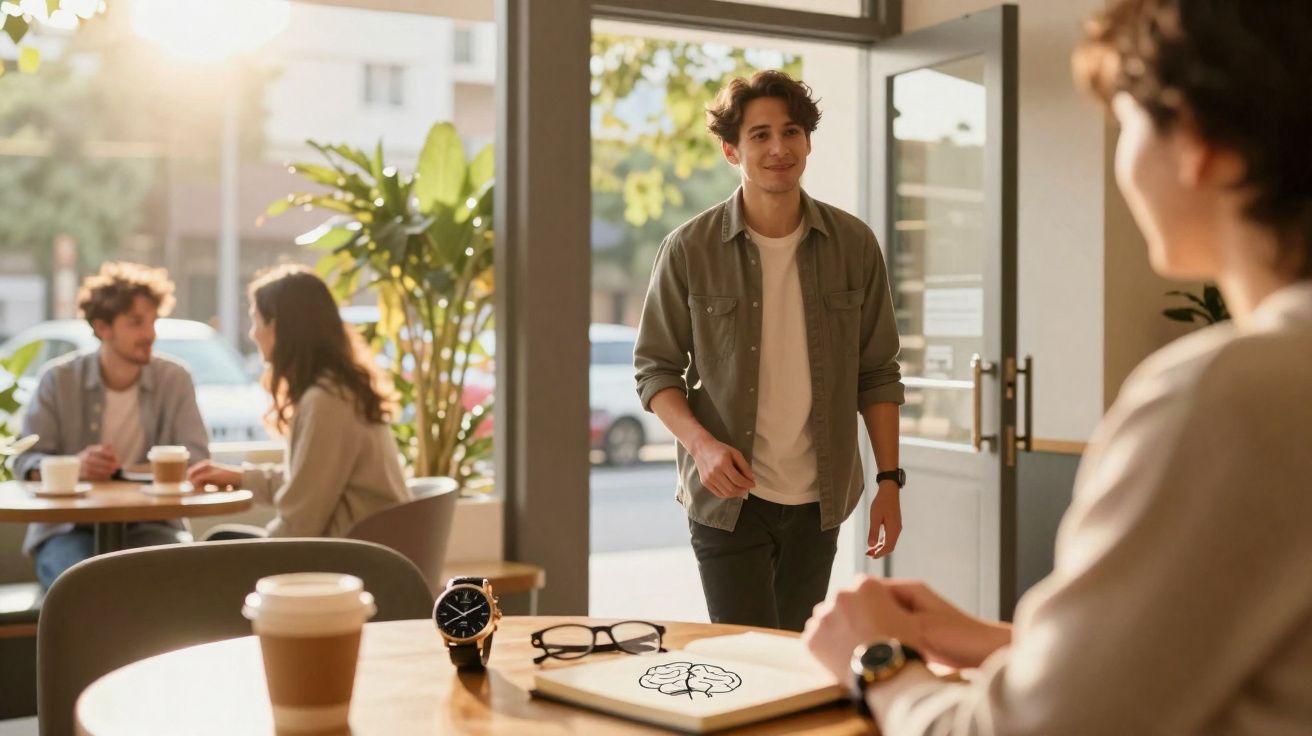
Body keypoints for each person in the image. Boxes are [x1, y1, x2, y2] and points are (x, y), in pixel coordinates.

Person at [802, 1, 1312, 732]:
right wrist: (1012, 646)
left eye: (1127, 123)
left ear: (1199, 140)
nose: (1122, 157)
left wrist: (878, 662)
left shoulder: (1225, 397)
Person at [634, 70, 906, 632]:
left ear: (807, 140)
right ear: (732, 148)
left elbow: (877, 372)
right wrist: (704, 448)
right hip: (728, 504)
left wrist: (889, 481)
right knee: (743, 661)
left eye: (791, 132)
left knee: (797, 657)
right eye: (759, 135)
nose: (779, 148)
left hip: (820, 499)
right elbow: (655, 370)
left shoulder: (854, 245)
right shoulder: (689, 249)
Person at [15, 262, 209, 588]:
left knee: (176, 583)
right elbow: (25, 461)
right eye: (136, 323)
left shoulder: (175, 379)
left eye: (152, 321)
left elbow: (196, 457)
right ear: (102, 327)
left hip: (152, 523)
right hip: (68, 528)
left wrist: (129, 472)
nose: (150, 334)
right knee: (83, 590)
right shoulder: (58, 379)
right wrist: (76, 466)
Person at [188, 264, 409, 538]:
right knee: (223, 541)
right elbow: (310, 481)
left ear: (278, 328)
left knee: (217, 543)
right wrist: (240, 478)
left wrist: (259, 552)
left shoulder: (327, 402)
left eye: (255, 320)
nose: (252, 334)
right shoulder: (337, 390)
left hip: (349, 558)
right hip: (361, 548)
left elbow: (301, 521)